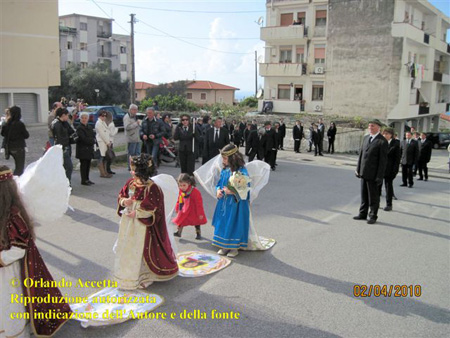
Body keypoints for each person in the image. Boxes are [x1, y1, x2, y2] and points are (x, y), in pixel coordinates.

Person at [0, 166, 72, 337]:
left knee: (9, 300)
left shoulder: (13, 215)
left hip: (9, 271)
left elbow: (19, 248)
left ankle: (14, 331)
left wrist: (2, 258)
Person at [115, 154, 178, 289]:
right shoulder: (130, 183)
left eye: (134, 170)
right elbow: (121, 195)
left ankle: (147, 275)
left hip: (143, 225)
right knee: (130, 247)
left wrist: (137, 213)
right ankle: (132, 273)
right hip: (129, 223)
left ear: (142, 171)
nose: (131, 172)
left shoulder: (152, 188)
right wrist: (124, 201)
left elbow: (154, 207)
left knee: (142, 248)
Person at [212, 144, 250, 257]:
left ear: (232, 158)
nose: (223, 161)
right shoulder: (225, 170)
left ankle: (234, 247)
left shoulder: (242, 171)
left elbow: (246, 187)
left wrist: (234, 191)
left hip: (236, 204)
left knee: (234, 223)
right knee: (223, 222)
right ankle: (224, 245)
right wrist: (218, 190)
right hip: (224, 202)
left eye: (225, 158)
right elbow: (219, 183)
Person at [353, 119, 388, 224]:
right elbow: (361, 155)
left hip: (373, 174)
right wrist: (358, 169)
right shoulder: (366, 138)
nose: (370, 128)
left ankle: (373, 215)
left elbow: (383, 161)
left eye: (372, 126)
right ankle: (362, 213)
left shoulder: (382, 141)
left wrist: (379, 176)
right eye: (369, 126)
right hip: (364, 172)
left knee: (373, 196)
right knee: (364, 195)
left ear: (378, 127)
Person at [173, 174, 207, 240]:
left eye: (184, 185)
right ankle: (179, 232)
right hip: (184, 209)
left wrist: (200, 213)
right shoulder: (181, 191)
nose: (182, 187)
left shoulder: (195, 192)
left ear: (189, 183)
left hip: (193, 210)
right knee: (181, 220)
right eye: (180, 185)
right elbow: (179, 200)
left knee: (197, 222)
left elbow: (199, 204)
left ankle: (198, 233)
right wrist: (177, 208)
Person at [0, 106, 29, 176]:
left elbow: (3, 134)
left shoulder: (6, 124)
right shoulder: (20, 124)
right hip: (19, 148)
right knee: (19, 167)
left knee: (17, 167)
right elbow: (26, 135)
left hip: (9, 147)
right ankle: (15, 180)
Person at [52, 107, 75, 183]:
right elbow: (59, 138)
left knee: (66, 166)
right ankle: (66, 183)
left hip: (67, 146)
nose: (68, 117)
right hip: (62, 148)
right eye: (67, 115)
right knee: (69, 166)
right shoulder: (57, 124)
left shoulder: (64, 123)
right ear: (63, 115)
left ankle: (65, 182)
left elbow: (71, 131)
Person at [380, 127, 400, 211]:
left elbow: (397, 160)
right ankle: (376, 204)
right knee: (377, 187)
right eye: (384, 134)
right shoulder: (381, 142)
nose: (385, 135)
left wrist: (394, 171)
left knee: (388, 187)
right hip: (380, 169)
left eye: (387, 134)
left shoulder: (395, 144)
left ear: (391, 135)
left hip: (389, 170)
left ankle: (389, 204)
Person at [76, 112, 96, 186]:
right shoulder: (79, 128)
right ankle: (83, 180)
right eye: (82, 118)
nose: (84, 119)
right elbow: (83, 138)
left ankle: (87, 179)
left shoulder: (89, 127)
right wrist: (92, 141)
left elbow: (93, 135)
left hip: (89, 149)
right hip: (82, 149)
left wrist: (92, 140)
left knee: (88, 164)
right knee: (83, 165)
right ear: (80, 119)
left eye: (85, 118)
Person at [95, 110, 113, 178]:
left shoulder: (103, 122)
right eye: (102, 116)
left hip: (105, 142)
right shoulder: (98, 123)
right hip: (101, 142)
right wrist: (107, 142)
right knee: (101, 157)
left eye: (105, 116)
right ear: (99, 116)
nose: (104, 117)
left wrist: (109, 141)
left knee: (105, 157)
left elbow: (107, 132)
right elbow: (102, 134)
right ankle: (102, 173)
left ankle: (105, 172)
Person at [123, 104, 141, 170]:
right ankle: (130, 167)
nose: (136, 111)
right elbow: (127, 127)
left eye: (136, 110)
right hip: (131, 138)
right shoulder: (127, 117)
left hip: (137, 137)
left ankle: (136, 166)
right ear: (131, 110)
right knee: (131, 153)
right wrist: (136, 124)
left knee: (137, 153)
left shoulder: (134, 116)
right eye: (135, 110)